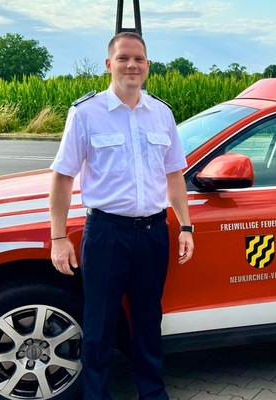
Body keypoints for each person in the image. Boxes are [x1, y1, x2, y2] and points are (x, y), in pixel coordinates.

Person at [48, 31, 194, 400]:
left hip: (152, 233)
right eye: (123, 58)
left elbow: (174, 174)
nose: (132, 65)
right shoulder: (85, 113)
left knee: (148, 321)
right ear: (109, 64)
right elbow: (63, 177)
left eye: (139, 59)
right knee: (100, 324)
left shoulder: (162, 114)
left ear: (148, 65)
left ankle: (152, 392)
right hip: (106, 233)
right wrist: (58, 237)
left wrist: (186, 225)